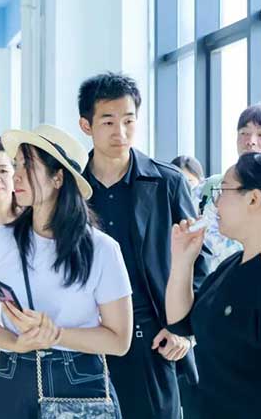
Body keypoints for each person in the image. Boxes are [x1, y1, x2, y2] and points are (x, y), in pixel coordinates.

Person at [0, 124, 133, 419]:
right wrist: (17, 343)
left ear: (58, 177)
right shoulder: (0, 241)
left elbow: (119, 340)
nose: (16, 175)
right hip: (13, 375)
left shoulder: (102, 248)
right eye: (16, 164)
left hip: (78, 379)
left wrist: (55, 335)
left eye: (28, 165)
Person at [78, 72, 211, 419]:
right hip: (85, 344)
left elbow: (199, 259)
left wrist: (183, 330)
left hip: (152, 343)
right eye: (108, 121)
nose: (120, 132)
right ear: (86, 125)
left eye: (128, 120)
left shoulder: (167, 182)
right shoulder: (70, 190)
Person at [166, 152, 261, 418]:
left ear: (253, 199)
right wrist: (182, 260)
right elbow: (180, 323)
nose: (215, 202)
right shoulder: (231, 265)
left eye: (223, 190)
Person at [194, 104, 261, 270]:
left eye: (260, 134)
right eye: (244, 133)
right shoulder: (207, 188)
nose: (251, 142)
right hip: (211, 282)